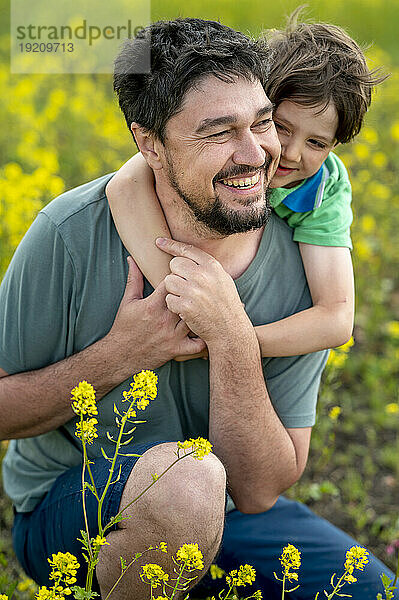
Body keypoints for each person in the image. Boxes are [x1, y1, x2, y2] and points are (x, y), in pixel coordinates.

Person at [0, 17, 396, 600]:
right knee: (185, 487)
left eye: (262, 123)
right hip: (73, 500)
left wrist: (232, 335)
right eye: (218, 132)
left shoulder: (303, 265)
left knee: (376, 593)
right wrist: (122, 354)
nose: (259, 154)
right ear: (149, 142)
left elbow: (260, 491)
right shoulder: (69, 235)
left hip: (230, 507)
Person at [106, 13, 386, 361]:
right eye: (279, 126)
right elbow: (124, 185)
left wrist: (228, 340)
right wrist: (183, 305)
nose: (291, 153)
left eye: (317, 143)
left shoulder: (323, 189)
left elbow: (336, 320)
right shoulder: (229, 151)